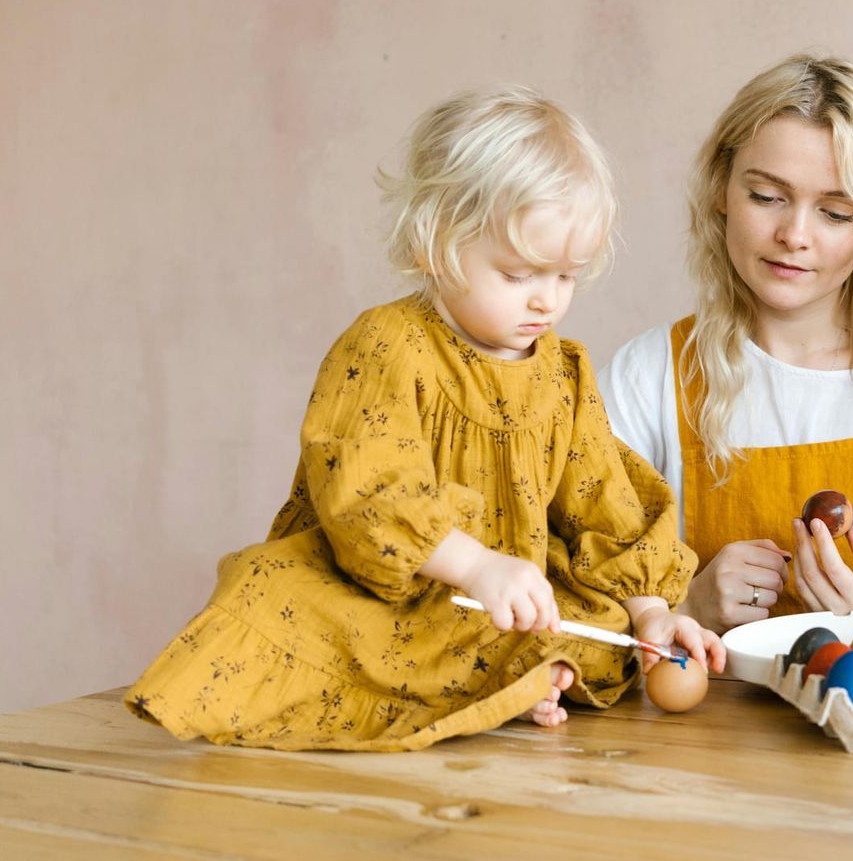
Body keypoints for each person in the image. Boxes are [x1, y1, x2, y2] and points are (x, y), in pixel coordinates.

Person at [126, 87, 723, 751]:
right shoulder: (387, 347)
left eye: (566, 276)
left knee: (588, 619)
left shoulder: (560, 371)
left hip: (496, 604)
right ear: (434, 243)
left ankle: (515, 680)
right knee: (266, 589)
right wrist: (475, 567)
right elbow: (367, 495)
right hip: (392, 593)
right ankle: (502, 684)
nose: (547, 300)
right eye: (520, 273)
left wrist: (651, 613)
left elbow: (601, 502)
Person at [598, 54, 853, 634]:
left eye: (836, 212)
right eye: (766, 197)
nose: (794, 236)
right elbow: (573, 603)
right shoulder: (648, 376)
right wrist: (685, 608)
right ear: (722, 189)